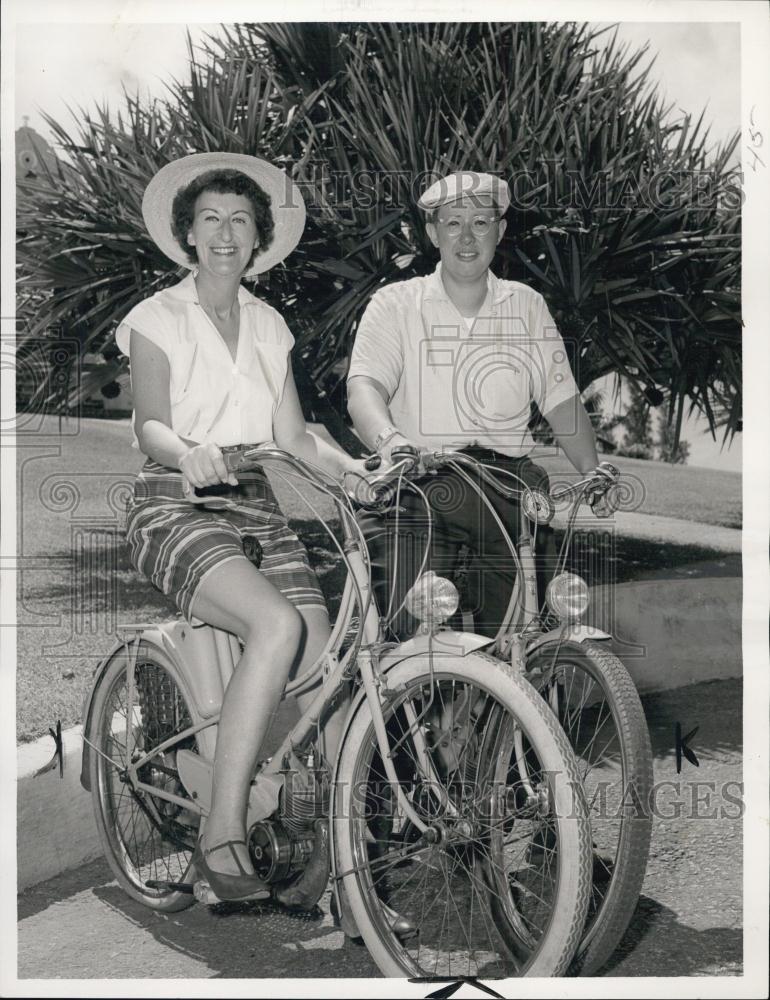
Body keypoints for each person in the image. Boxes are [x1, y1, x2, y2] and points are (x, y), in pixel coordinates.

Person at [116, 152, 366, 902]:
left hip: (255, 504)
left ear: (258, 238)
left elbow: (295, 437)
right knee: (275, 625)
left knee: (328, 671)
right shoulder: (157, 318)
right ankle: (220, 840)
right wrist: (188, 452)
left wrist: (356, 470)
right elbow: (151, 422)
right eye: (211, 220)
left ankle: (348, 868)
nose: (225, 234)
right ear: (189, 235)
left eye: (240, 221)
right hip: (173, 499)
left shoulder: (269, 325)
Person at [347, 170, 615, 640]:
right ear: (433, 233)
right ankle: (405, 678)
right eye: (453, 223)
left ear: (500, 230)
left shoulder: (527, 306)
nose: (467, 237)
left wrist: (594, 472)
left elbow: (561, 401)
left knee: (523, 642)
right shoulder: (394, 304)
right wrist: (391, 442)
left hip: (509, 490)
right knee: (411, 634)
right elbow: (364, 388)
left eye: (480, 223)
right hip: (421, 482)